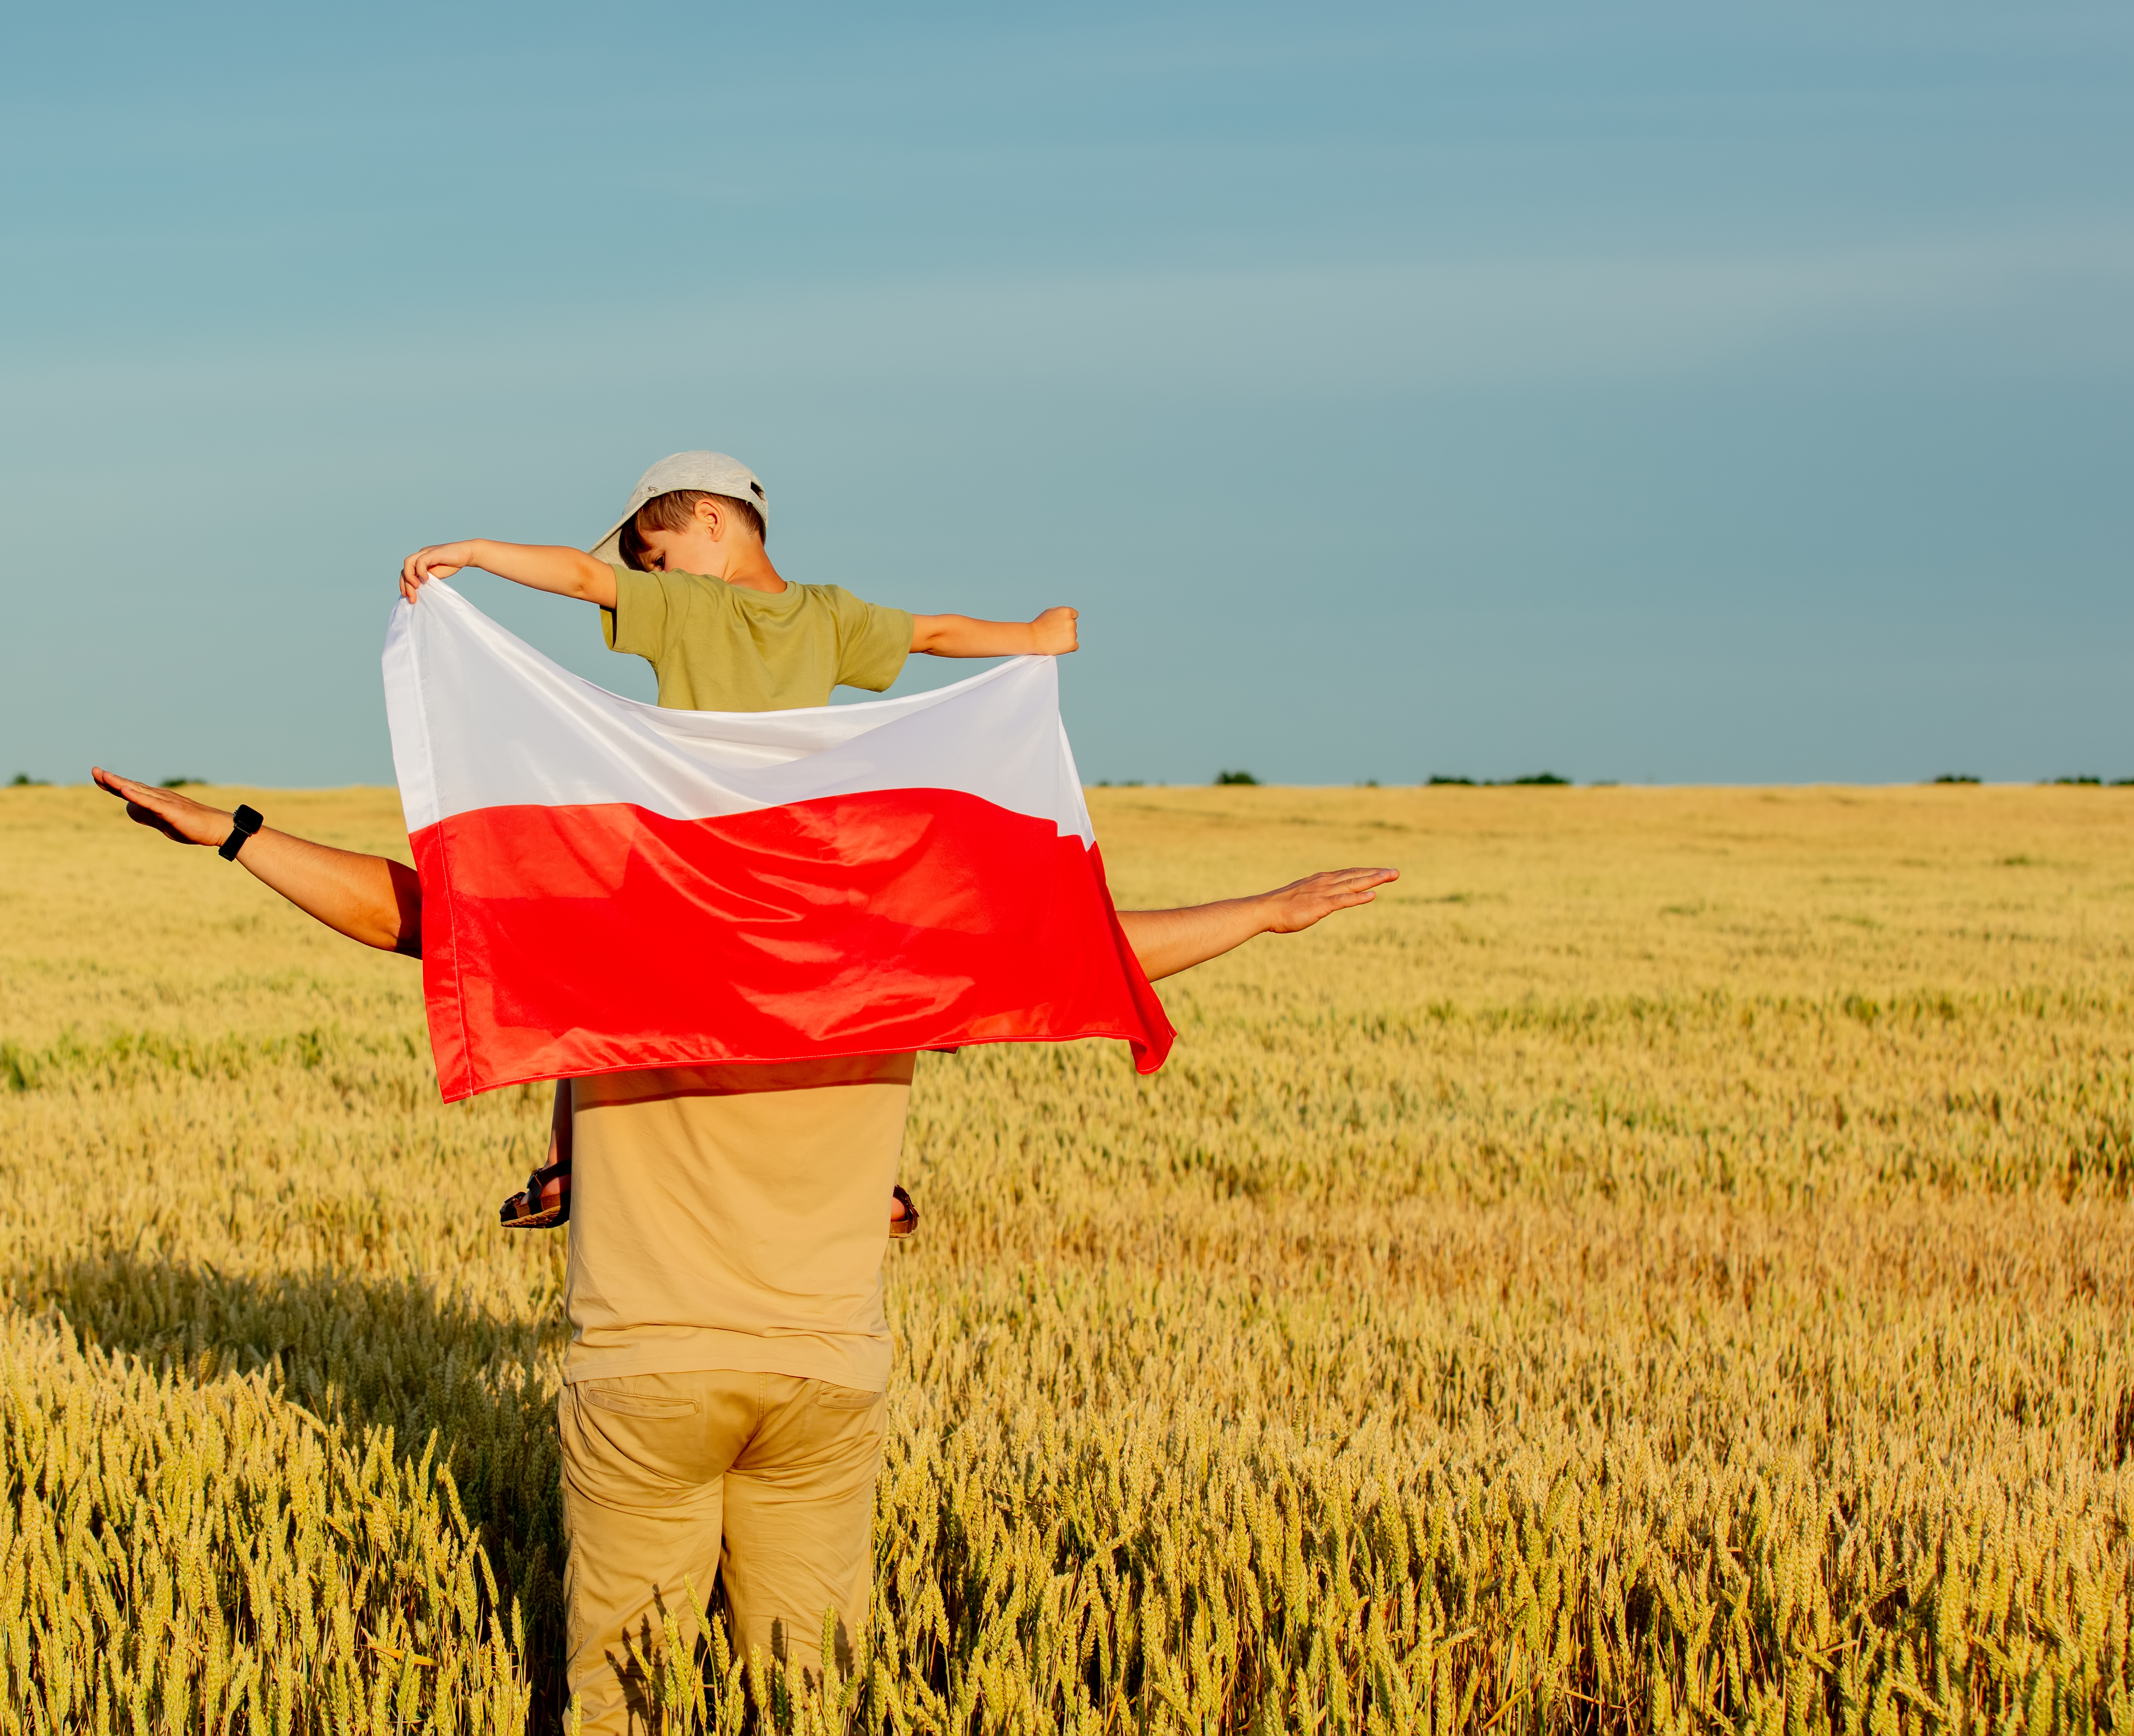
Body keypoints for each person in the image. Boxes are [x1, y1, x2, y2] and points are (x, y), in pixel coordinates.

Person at [90, 458, 1398, 1730]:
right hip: (826, 1374)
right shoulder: (875, 949)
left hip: (650, 1370)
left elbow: (424, 918)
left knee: (625, 1705)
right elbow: (1089, 948)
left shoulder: (634, 936)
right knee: (809, 1694)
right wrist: (1268, 913)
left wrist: (240, 835)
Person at [393, 452, 1084, 1237]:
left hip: (689, 849)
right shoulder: (829, 615)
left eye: (657, 554)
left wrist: (479, 552)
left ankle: (568, 1160)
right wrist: (1028, 637)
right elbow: (934, 634)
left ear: (710, 522)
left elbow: (583, 580)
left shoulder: (689, 606)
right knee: (864, 994)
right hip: (802, 858)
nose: (656, 572)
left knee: (596, 975)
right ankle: (878, 1181)